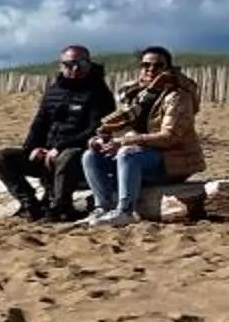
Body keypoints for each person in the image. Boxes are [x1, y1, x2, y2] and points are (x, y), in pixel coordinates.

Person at [81, 46, 203, 226]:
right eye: (146, 65)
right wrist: (102, 140)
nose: (151, 70)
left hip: (173, 161)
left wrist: (123, 142)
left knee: (127, 154)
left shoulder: (177, 96)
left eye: (158, 66)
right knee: (91, 156)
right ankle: (103, 208)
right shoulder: (134, 94)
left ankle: (125, 211)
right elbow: (118, 124)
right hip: (141, 155)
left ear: (167, 68)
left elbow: (169, 137)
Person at [0, 45, 111, 220]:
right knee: (1, 158)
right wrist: (33, 148)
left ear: (89, 64)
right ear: (61, 66)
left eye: (81, 63)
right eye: (70, 64)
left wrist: (60, 147)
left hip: (79, 156)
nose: (75, 69)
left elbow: (95, 129)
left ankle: (60, 207)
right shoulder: (54, 91)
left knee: (69, 156)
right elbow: (40, 123)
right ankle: (29, 204)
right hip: (47, 154)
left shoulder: (99, 93)